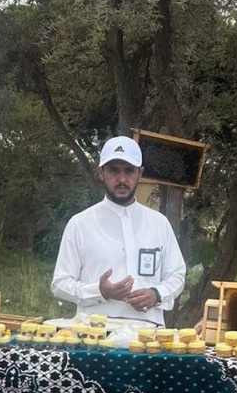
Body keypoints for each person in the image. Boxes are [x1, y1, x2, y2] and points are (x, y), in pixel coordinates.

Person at [51, 136, 186, 326]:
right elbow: (60, 284)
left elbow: (177, 275)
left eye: (129, 170)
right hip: (94, 334)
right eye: (114, 170)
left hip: (147, 333)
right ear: (101, 173)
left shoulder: (159, 224)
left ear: (140, 173)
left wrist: (156, 294)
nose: (122, 179)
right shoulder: (80, 224)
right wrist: (99, 292)